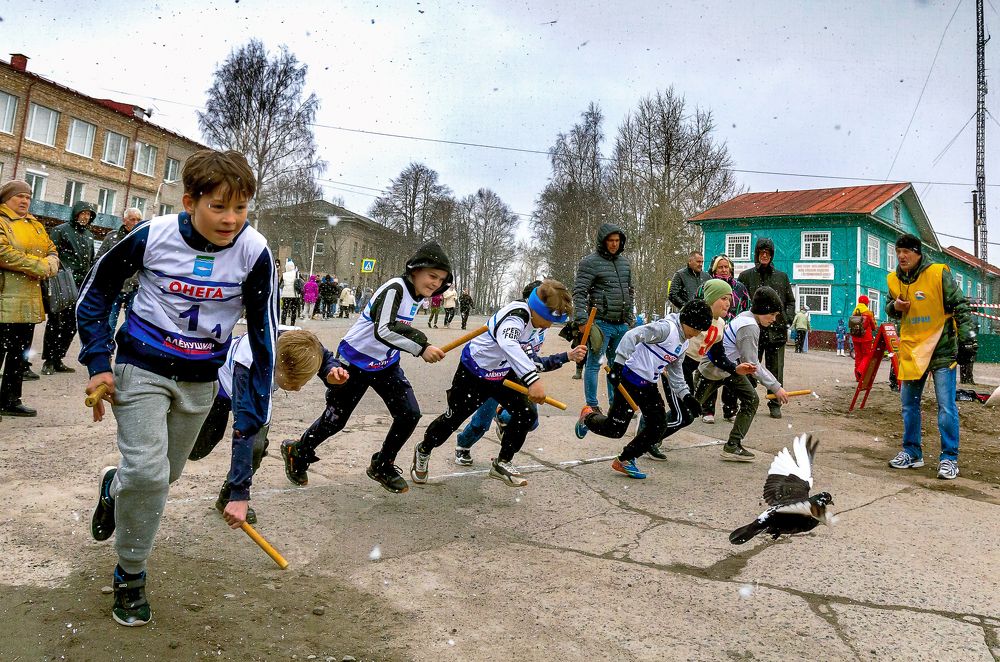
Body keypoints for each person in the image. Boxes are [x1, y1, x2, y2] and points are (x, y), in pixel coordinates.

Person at [79, 149, 276, 627]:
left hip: (200, 379)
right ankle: (130, 574)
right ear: (190, 201)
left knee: (161, 477)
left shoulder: (255, 252)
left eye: (241, 208)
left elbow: (263, 335)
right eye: (219, 206)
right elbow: (96, 291)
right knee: (148, 475)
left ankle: (115, 485)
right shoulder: (152, 236)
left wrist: (255, 427)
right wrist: (98, 363)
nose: (232, 219)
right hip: (139, 367)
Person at [279, 241, 451, 493]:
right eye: (432, 276)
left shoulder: (416, 296)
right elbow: (384, 329)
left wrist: (416, 346)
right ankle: (299, 451)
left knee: (409, 414)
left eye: (441, 279)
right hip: (355, 360)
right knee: (335, 420)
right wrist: (422, 346)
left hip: (385, 364)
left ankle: (382, 464)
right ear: (415, 270)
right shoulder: (396, 288)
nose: (435, 283)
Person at [412, 279, 575, 487]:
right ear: (537, 309)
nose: (551, 325)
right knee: (452, 420)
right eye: (549, 319)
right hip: (474, 374)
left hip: (503, 375)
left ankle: (503, 462)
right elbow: (509, 344)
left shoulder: (536, 325)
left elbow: (528, 357)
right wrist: (533, 381)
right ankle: (424, 449)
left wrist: (564, 357)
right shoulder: (516, 316)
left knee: (526, 414)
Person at [188, 330, 348, 524]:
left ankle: (227, 496)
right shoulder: (250, 370)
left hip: (253, 387)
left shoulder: (295, 341)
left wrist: (330, 369)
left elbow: (321, 354)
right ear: (276, 366)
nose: (297, 389)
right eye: (292, 383)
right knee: (197, 449)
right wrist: (242, 493)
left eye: (302, 383)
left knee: (256, 448)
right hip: (219, 390)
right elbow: (244, 431)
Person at [575, 299, 714, 479]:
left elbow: (676, 374)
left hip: (648, 385)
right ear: (687, 321)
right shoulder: (666, 329)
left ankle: (625, 459)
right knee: (615, 429)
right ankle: (588, 417)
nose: (696, 334)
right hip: (628, 378)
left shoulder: (683, 343)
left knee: (658, 426)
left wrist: (687, 397)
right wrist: (618, 364)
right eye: (695, 329)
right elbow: (632, 336)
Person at [453, 280, 587, 465]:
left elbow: (532, 362)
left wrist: (567, 356)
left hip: (516, 376)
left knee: (529, 419)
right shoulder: (516, 321)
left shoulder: (541, 326)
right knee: (480, 423)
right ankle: (463, 445)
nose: (548, 322)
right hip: (494, 374)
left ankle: (502, 421)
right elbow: (515, 352)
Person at [886, 233, 976, 480]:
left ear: (918, 253)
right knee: (908, 405)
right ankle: (912, 452)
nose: (902, 256)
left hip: (941, 350)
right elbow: (887, 306)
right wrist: (895, 307)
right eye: (898, 251)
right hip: (913, 351)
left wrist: (968, 338)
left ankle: (949, 458)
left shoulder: (938, 274)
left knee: (946, 407)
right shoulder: (894, 280)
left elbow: (960, 305)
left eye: (907, 251)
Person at [694, 286, 790, 461]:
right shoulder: (750, 327)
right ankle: (652, 437)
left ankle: (732, 446)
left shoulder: (747, 316)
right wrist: (776, 387)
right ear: (763, 310)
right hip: (712, 370)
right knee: (688, 411)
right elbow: (753, 365)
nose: (774, 320)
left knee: (751, 399)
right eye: (773, 315)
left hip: (730, 368)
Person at [0, 180, 59, 417]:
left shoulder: (35, 224)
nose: (25, 201)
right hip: (4, 298)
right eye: (19, 197)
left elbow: (51, 249)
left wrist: (51, 263)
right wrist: (37, 265)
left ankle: (10, 400)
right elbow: (3, 253)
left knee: (18, 354)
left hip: (28, 301)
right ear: (6, 199)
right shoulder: (2, 221)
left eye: (28, 197)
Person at [573, 223, 633, 412]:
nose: (614, 244)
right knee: (594, 364)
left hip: (621, 324)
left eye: (617, 240)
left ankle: (615, 404)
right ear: (603, 241)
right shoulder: (589, 262)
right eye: (611, 240)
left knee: (617, 366)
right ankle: (592, 405)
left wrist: (629, 318)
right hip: (599, 323)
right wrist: (582, 320)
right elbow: (579, 292)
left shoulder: (625, 263)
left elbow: (630, 291)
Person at [737, 238, 795, 419]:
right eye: (761, 252)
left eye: (767, 253)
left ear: (771, 255)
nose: (764, 255)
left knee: (776, 368)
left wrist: (786, 318)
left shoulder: (781, 276)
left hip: (776, 333)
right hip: (753, 331)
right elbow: (739, 301)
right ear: (756, 254)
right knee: (749, 366)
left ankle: (774, 403)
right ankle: (748, 400)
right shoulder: (746, 276)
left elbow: (791, 301)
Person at [40, 200, 97, 375]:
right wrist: (59, 273)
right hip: (63, 282)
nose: (85, 217)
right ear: (76, 214)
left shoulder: (88, 235)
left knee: (71, 324)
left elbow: (90, 259)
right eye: (83, 213)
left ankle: (58, 358)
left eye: (89, 214)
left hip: (81, 285)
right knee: (56, 322)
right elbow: (51, 253)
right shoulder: (61, 230)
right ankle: (48, 360)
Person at [696, 255, 749, 424]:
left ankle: (730, 409)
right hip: (711, 331)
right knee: (711, 369)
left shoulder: (740, 288)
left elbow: (746, 308)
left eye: (727, 267)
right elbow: (697, 304)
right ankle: (707, 410)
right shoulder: (706, 286)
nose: (724, 270)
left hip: (732, 334)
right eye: (720, 267)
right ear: (714, 269)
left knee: (730, 369)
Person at [96, 207, 143, 330]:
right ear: (124, 220)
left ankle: (126, 349)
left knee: (132, 327)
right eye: (132, 219)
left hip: (134, 289)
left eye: (139, 220)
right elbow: (98, 261)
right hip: (113, 288)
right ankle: (106, 348)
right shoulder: (112, 237)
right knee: (108, 325)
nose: (136, 223)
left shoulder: (144, 239)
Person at [850, 295, 877, 382]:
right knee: (867, 355)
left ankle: (858, 377)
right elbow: (874, 327)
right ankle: (860, 371)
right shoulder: (868, 313)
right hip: (866, 338)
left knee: (858, 356)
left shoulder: (854, 312)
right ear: (866, 303)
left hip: (855, 337)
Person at [279, 260, 299, 326]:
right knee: (293, 310)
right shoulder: (296, 274)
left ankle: (283, 322)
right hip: (294, 295)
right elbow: (301, 282)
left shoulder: (284, 275)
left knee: (285, 309)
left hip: (285, 294)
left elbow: (280, 284)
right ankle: (292, 323)